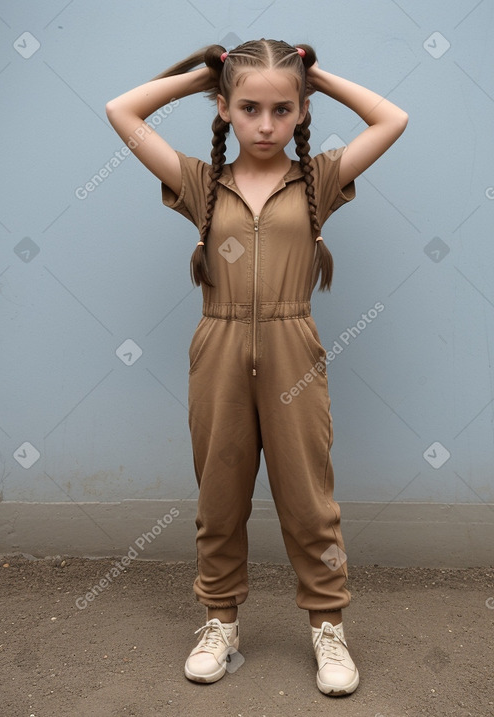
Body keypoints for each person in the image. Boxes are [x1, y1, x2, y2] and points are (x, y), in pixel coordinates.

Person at [106, 38, 408, 696]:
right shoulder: (199, 183)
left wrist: (317, 77)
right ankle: (220, 620)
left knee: (308, 500)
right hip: (217, 350)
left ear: (301, 113)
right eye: (249, 108)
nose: (266, 124)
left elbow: (393, 119)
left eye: (282, 109)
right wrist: (195, 81)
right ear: (226, 110)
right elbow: (120, 112)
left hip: (292, 346)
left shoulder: (320, 179)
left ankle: (328, 624)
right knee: (219, 496)